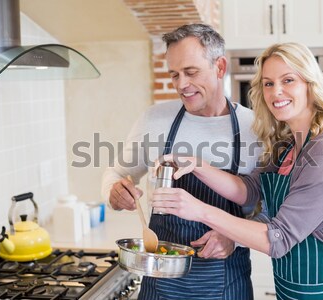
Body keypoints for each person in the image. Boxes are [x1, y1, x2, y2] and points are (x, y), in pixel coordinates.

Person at [151, 42, 323, 299]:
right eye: (268, 83)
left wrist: (200, 210)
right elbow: (249, 191)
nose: (276, 92)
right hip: (292, 288)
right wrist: (197, 166)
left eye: (288, 80)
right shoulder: (287, 144)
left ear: (310, 84)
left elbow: (277, 237)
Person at [102, 23, 261, 300]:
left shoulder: (254, 127)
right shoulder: (155, 120)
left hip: (226, 282)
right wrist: (114, 192)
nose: (181, 85)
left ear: (220, 67)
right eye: (174, 75)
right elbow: (117, 173)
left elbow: (270, 207)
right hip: (161, 284)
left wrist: (234, 238)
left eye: (191, 72)